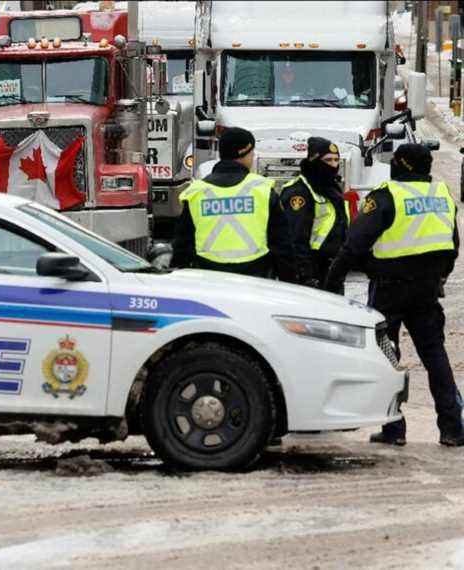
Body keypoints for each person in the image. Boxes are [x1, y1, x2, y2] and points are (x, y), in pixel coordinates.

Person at [323, 143, 464, 447]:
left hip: (389, 289)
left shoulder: (387, 195)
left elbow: (355, 243)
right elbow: (452, 245)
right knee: (435, 356)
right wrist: (439, 277)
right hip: (426, 289)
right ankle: (453, 427)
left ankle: (394, 428)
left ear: (400, 165)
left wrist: (332, 280)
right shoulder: (441, 194)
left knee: (387, 357)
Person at [172, 127, 295, 280]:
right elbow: (281, 244)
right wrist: (289, 281)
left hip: (208, 278)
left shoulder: (197, 192)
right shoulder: (262, 190)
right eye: (252, 153)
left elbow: (182, 245)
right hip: (256, 278)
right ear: (244, 153)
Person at [280, 137, 349, 287]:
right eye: (328, 160)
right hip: (312, 269)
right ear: (314, 160)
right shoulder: (299, 192)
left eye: (336, 160)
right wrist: (306, 275)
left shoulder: (331, 188)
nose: (333, 165)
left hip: (331, 269)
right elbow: (295, 238)